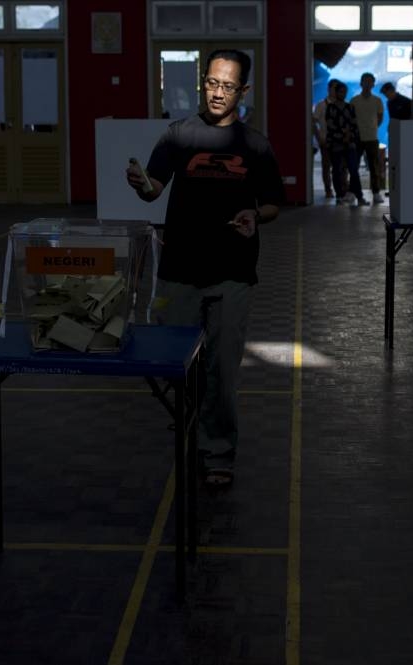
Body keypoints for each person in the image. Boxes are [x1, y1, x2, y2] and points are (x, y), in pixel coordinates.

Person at [125, 48, 284, 488]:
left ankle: (218, 450)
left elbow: (273, 202)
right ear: (203, 82)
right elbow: (154, 189)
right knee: (178, 363)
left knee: (222, 367)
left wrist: (256, 215)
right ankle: (192, 423)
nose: (218, 93)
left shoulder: (254, 145)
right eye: (212, 83)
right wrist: (142, 185)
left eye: (228, 86)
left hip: (233, 271)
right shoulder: (178, 135)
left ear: (243, 90)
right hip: (179, 268)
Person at [326, 80, 366, 206]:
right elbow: (330, 126)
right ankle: (339, 196)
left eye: (344, 92)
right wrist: (343, 135)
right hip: (336, 144)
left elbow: (354, 125)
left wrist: (350, 137)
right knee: (336, 170)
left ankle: (359, 197)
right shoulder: (330, 108)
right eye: (340, 92)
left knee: (354, 170)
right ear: (336, 92)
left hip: (350, 143)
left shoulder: (350, 107)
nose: (343, 94)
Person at [350, 72, 385, 204]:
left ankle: (376, 193)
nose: (367, 84)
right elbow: (350, 119)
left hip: (372, 138)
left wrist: (373, 127)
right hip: (357, 138)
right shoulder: (354, 100)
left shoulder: (377, 100)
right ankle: (353, 192)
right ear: (361, 83)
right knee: (354, 167)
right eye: (365, 81)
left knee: (374, 167)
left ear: (373, 84)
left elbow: (380, 118)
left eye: (370, 81)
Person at [313, 79, 338, 199]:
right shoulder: (321, 105)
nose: (335, 91)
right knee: (326, 166)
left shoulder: (343, 104)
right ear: (329, 89)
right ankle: (328, 190)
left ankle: (341, 189)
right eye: (334, 88)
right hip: (326, 140)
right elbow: (313, 122)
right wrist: (319, 138)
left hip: (339, 141)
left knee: (340, 167)